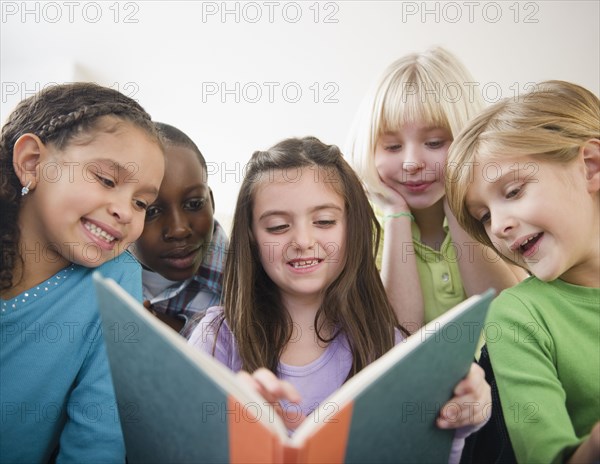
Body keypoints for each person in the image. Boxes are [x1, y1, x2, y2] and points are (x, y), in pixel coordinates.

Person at [189, 136, 491, 463]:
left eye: (324, 222)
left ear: (352, 227)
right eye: (277, 227)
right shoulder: (217, 337)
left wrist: (460, 416)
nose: (303, 241)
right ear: (251, 235)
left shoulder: (388, 347)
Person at [0, 82, 165, 463]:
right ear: (31, 162)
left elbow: (98, 439)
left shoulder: (116, 277)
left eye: (142, 203)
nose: (125, 210)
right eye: (107, 180)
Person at [445, 80, 600, 463]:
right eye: (484, 217)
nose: (498, 225)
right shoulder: (517, 316)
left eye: (513, 192)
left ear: (591, 167)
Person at [347, 47, 525, 331]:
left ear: (466, 138)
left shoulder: (496, 215)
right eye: (392, 147)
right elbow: (400, 331)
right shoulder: (365, 230)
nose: (411, 163)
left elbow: (505, 315)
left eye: (434, 143)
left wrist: (456, 205)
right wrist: (396, 215)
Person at [131, 122, 228, 338]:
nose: (179, 229)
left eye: (194, 204)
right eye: (152, 211)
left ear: (211, 201)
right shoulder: (92, 273)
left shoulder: (249, 285)